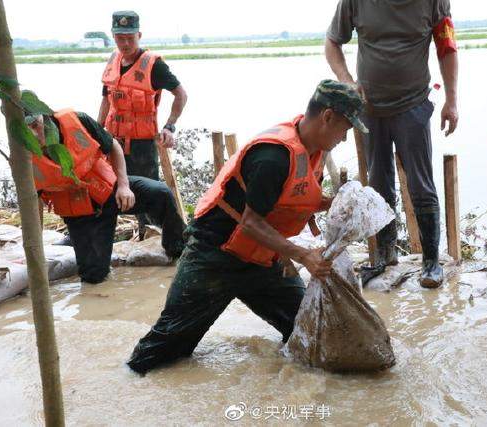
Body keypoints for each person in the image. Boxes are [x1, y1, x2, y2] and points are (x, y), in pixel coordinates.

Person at [126, 80, 367, 374]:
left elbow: (292, 198)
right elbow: (251, 221)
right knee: (161, 351)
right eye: (345, 128)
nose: (344, 138)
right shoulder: (273, 157)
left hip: (263, 258)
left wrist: (335, 204)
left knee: (311, 331)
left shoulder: (314, 150)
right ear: (327, 117)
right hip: (214, 256)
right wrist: (303, 256)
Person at [325, 0, 459, 288]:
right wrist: (347, 80)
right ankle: (386, 254)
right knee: (378, 183)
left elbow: (447, 48)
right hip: (369, 109)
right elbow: (333, 42)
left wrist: (451, 101)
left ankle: (431, 262)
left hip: (413, 105)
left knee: (421, 184)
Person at [27, 108, 186, 284]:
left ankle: (177, 250)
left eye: (36, 125)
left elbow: (113, 146)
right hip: (80, 214)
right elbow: (33, 199)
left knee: (160, 193)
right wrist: (35, 242)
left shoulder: (77, 119)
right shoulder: (22, 155)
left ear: (45, 116)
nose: (34, 134)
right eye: (27, 129)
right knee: (93, 277)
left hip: (110, 191)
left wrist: (124, 186)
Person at [98, 10, 188, 238]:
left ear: (139, 35)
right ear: (113, 36)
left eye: (130, 37)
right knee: (107, 190)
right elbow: (106, 99)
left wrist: (169, 126)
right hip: (113, 142)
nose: (125, 43)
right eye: (120, 38)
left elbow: (181, 95)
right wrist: (97, 133)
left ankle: (159, 241)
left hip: (142, 146)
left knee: (149, 197)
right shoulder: (113, 61)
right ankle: (122, 237)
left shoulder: (154, 65)